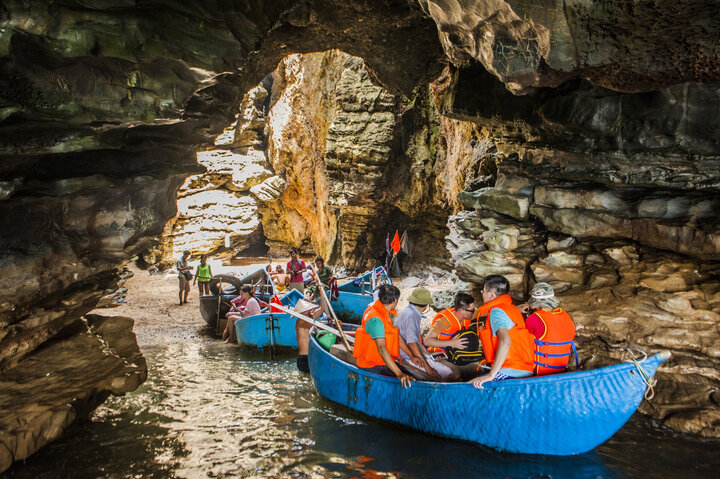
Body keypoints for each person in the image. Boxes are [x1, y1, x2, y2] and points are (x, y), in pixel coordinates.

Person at [472, 275, 535, 389]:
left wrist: (491, 375)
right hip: (525, 369)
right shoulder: (512, 309)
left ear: (491, 294)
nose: (482, 294)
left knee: (469, 386)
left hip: (510, 370)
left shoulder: (497, 311)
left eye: (483, 291)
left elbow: (505, 341)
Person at [352, 284, 414, 388]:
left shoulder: (385, 314)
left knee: (412, 375)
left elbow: (396, 337)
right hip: (371, 364)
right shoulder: (376, 319)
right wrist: (399, 374)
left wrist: (411, 356)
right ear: (395, 301)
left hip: (382, 360)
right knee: (407, 379)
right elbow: (381, 348)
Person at [395, 287, 459, 381]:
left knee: (449, 371)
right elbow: (412, 343)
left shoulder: (409, 311)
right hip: (407, 357)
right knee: (445, 375)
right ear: (426, 305)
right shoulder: (412, 315)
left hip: (412, 354)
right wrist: (427, 367)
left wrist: (429, 355)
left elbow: (416, 341)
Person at [522, 283, 576, 376]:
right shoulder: (566, 316)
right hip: (562, 370)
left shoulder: (535, 318)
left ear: (534, 303)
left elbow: (522, 341)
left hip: (540, 373)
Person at [293, 298, 323, 373]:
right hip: (304, 358)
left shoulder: (308, 319)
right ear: (301, 312)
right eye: (307, 309)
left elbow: (322, 309)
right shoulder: (300, 322)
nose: (309, 310)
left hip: (309, 357)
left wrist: (322, 293)